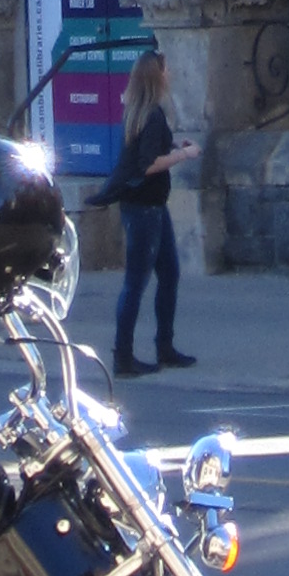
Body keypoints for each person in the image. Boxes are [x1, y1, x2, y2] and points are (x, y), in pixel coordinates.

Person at [105, 43, 199, 377]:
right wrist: (183, 155)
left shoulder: (138, 111)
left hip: (149, 206)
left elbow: (146, 149)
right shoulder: (152, 114)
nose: (169, 74)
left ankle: (164, 346)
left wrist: (172, 146)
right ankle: (124, 356)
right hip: (145, 208)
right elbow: (147, 164)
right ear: (156, 76)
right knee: (136, 282)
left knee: (169, 274)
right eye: (165, 69)